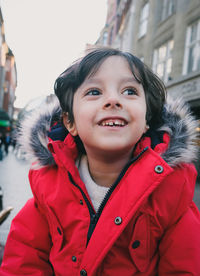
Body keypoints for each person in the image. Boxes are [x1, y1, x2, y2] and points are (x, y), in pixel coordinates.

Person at [1, 47, 200, 275]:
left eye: (129, 91)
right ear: (70, 122)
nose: (113, 100)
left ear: (147, 121)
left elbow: (185, 267)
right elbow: (24, 260)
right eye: (94, 92)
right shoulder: (48, 189)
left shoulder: (171, 194)